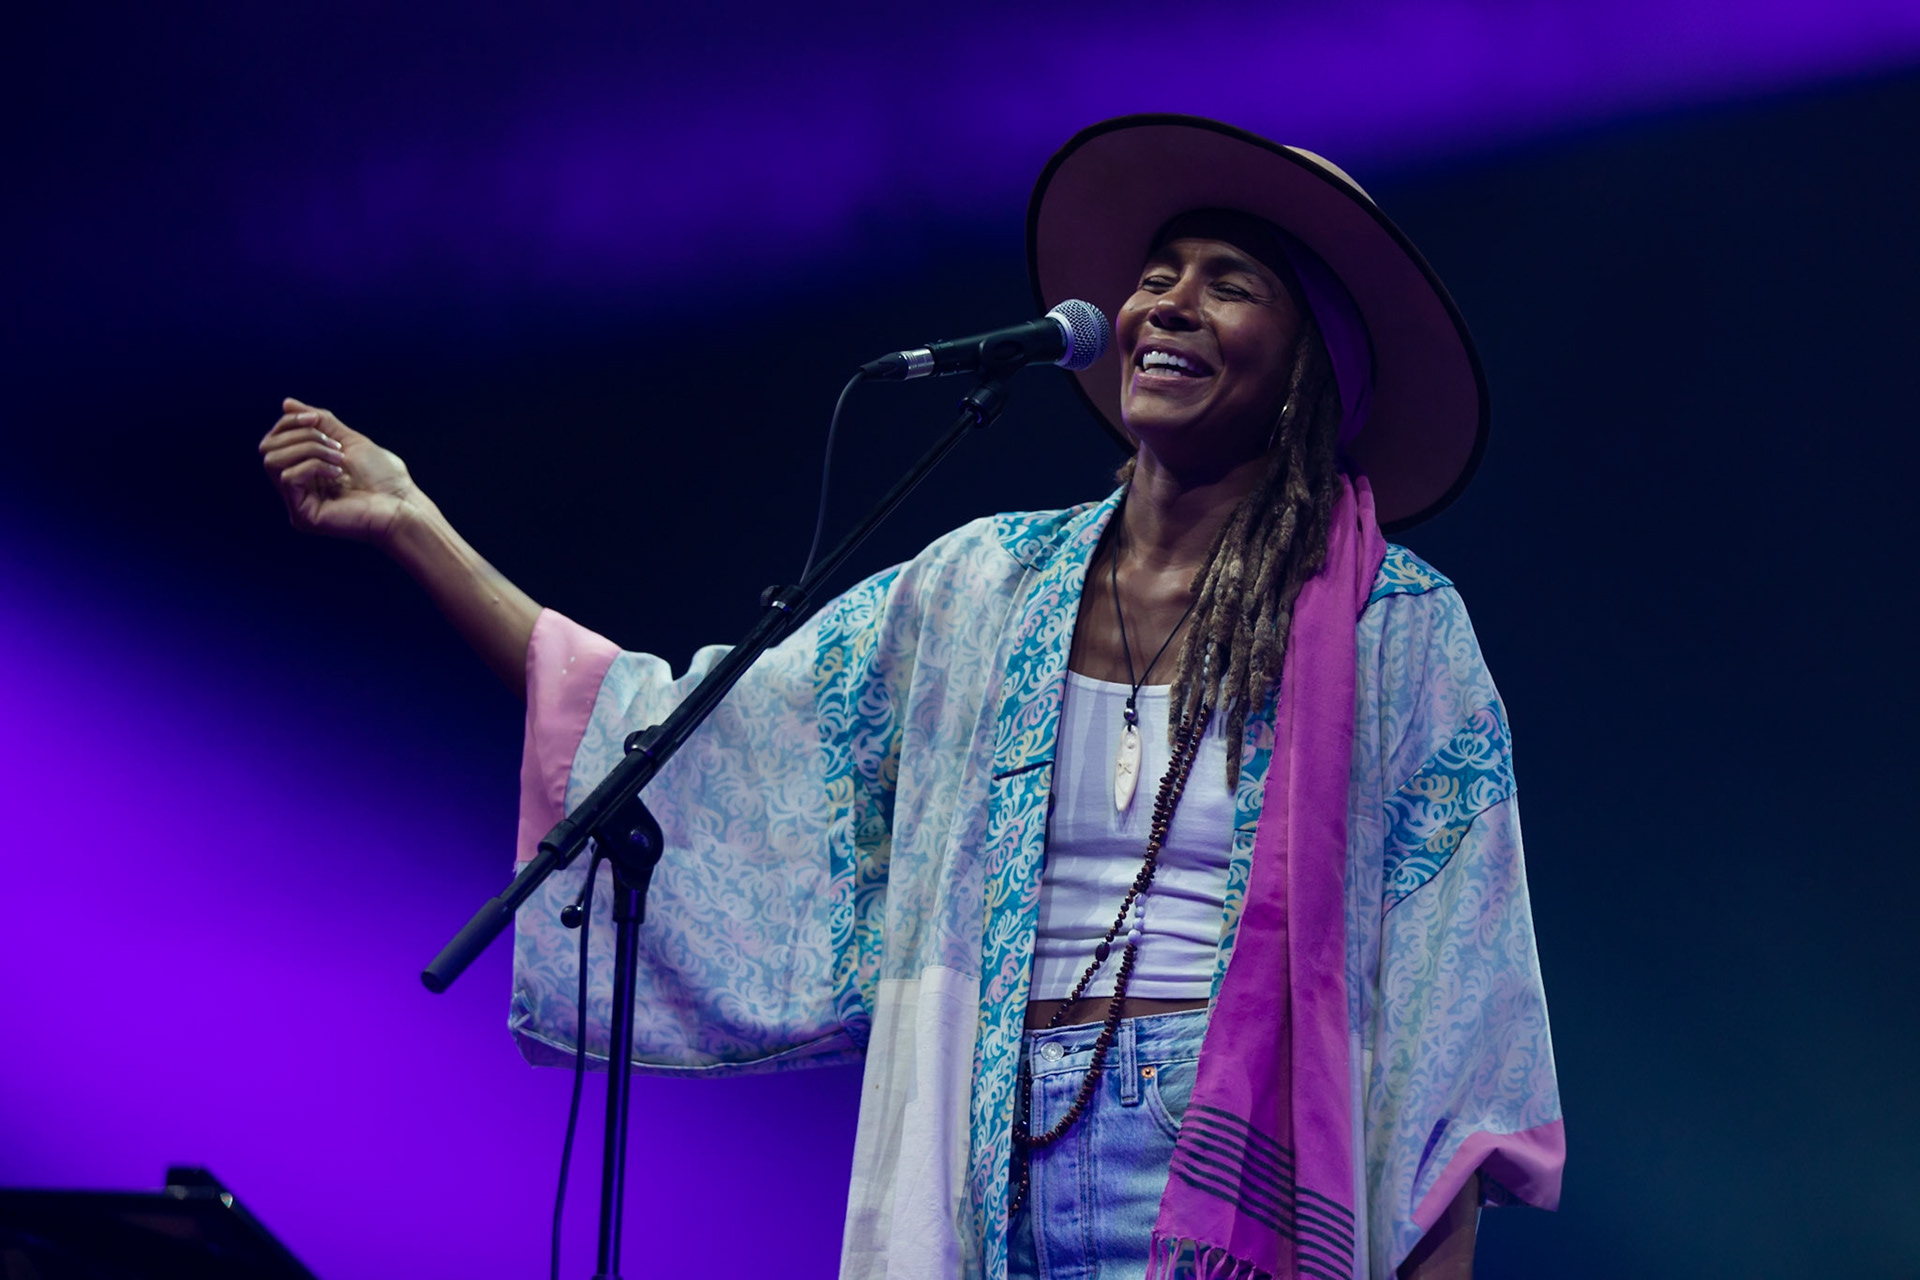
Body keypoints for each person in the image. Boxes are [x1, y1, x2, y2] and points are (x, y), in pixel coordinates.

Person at [259, 115, 1562, 1280]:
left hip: (1243, 1191)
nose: (1166, 306)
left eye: (1230, 287)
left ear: (1309, 365)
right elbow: (690, 742)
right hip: (996, 1165)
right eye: (1158, 274)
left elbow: (1460, 1022)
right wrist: (421, 531)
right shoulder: (986, 588)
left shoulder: (1398, 633)